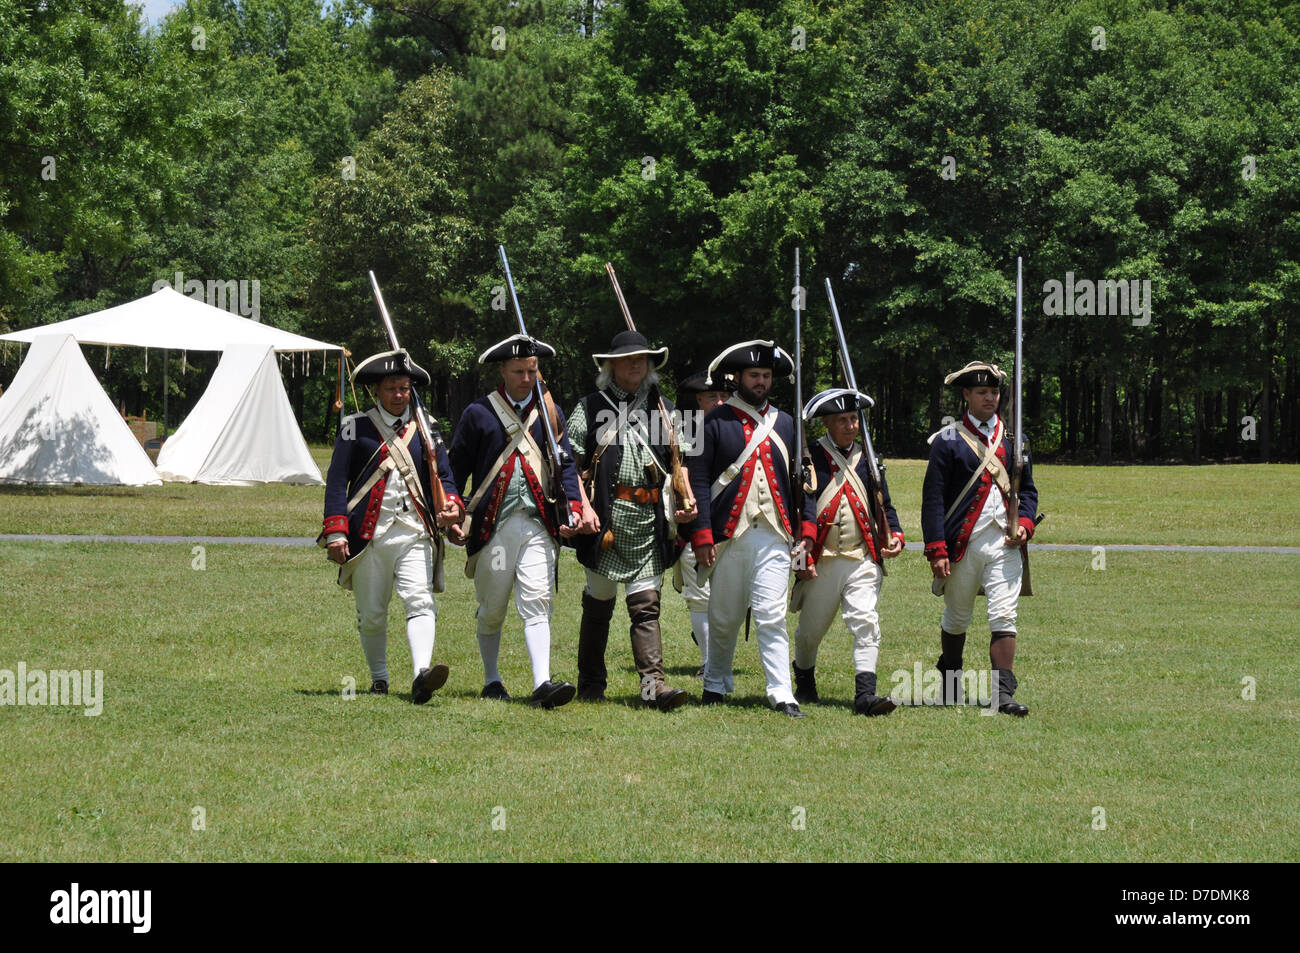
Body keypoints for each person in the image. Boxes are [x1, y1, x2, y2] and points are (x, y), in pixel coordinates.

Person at [447, 334, 595, 709]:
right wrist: (450, 507)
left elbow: (563, 464)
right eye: (519, 371)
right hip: (492, 527)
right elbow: (456, 469)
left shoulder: (550, 412)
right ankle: (491, 678)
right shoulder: (478, 413)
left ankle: (542, 682)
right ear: (502, 371)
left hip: (537, 524)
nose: (527, 378)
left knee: (537, 600)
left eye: (532, 370)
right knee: (493, 606)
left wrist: (574, 504)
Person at [318, 349, 463, 703]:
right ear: (377, 391)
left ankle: (421, 675)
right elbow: (337, 482)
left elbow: (443, 476)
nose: (400, 394)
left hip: (414, 530)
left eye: (404, 387)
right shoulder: (356, 425)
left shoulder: (427, 427)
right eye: (392, 388)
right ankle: (379, 678)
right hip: (370, 535)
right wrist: (336, 530)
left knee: (420, 600)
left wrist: (453, 508)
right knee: (371, 615)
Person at [686, 340, 816, 717]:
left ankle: (781, 693)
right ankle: (715, 683)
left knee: (772, 615)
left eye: (765, 376)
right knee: (723, 616)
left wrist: (806, 531)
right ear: (738, 377)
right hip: (728, 535)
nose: (760, 382)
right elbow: (697, 482)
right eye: (753, 375)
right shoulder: (714, 421)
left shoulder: (789, 424)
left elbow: (803, 482)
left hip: (775, 535)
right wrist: (703, 535)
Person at [569, 331, 695, 710]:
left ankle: (652, 686)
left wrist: (686, 503)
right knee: (599, 604)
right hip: (605, 520)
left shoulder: (668, 411)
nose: (636, 364)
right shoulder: (591, 407)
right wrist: (583, 509)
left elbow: (684, 466)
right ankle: (591, 685)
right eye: (627, 359)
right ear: (609, 366)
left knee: (646, 607)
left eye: (643, 358)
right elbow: (568, 462)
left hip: (648, 521)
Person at [921, 361, 1038, 716]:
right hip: (961, 545)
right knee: (957, 617)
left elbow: (1029, 491)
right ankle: (950, 685)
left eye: (994, 392)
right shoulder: (948, 440)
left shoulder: (1014, 438)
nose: (990, 398)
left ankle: (1003, 694)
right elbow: (934, 499)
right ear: (966, 395)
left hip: (1004, 542)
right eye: (982, 392)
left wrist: (1026, 524)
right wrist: (937, 549)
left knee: (1004, 615)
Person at [790, 388, 904, 716]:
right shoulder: (809, 458)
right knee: (810, 632)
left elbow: (885, 505)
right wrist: (800, 561)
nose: (851, 425)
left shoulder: (869, 458)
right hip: (821, 561)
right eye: (842, 419)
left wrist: (893, 534)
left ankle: (865, 695)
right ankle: (805, 681)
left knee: (866, 621)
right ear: (826, 422)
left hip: (861, 558)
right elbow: (800, 514)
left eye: (854, 418)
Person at [671, 370, 735, 676]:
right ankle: (710, 662)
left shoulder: (742, 430)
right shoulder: (682, 432)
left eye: (724, 396)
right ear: (699, 400)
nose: (720, 402)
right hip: (693, 524)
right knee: (698, 597)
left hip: (734, 528)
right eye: (713, 397)